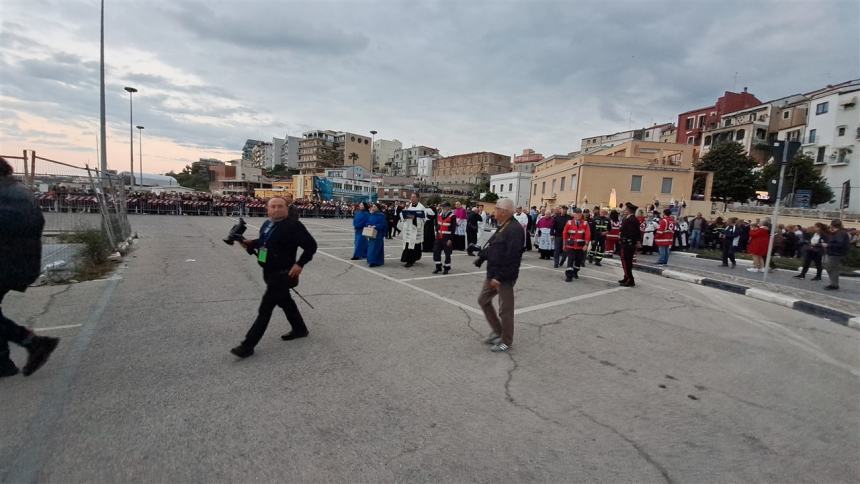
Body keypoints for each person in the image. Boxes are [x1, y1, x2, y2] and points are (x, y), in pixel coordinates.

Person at [231, 197, 317, 358]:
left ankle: (247, 345)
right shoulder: (267, 224)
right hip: (268, 271)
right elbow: (265, 241)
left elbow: (311, 246)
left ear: (286, 209)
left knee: (265, 309)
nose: (276, 209)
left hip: (283, 274)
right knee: (286, 302)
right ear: (267, 209)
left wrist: (300, 264)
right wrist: (251, 243)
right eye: (273, 206)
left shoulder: (293, 226)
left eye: (280, 206)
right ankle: (300, 329)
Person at [0, 157, 60, 377]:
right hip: (22, 262)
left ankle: (32, 342)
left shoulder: (6, 195)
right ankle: (3, 362)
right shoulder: (19, 192)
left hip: (7, 263)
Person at [477, 198, 524, 353]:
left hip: (504, 276)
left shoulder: (515, 229)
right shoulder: (503, 226)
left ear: (504, 212)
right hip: (493, 273)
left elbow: (513, 257)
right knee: (483, 300)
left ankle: (506, 341)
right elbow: (495, 247)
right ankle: (498, 331)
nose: (494, 211)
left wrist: (499, 276)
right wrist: (482, 256)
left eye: (496, 208)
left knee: (505, 309)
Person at [399, 193, 433, 267]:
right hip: (408, 229)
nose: (412, 199)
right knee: (408, 244)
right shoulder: (409, 206)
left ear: (418, 198)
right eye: (411, 197)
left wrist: (414, 218)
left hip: (415, 229)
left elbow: (424, 219)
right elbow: (403, 214)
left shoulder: (421, 207)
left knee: (414, 245)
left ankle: (410, 261)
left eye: (413, 197)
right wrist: (405, 210)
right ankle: (408, 259)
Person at [562, 208, 591, 281]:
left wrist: (586, 245)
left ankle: (575, 272)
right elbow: (565, 234)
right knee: (570, 260)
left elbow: (588, 234)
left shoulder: (585, 223)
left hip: (580, 246)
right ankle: (569, 276)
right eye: (576, 214)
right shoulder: (569, 222)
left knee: (578, 261)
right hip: (570, 245)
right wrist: (564, 244)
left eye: (579, 214)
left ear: (581, 215)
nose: (578, 215)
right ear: (574, 214)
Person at [821, 219, 850, 290]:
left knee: (833, 268)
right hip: (833, 252)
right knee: (830, 268)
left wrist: (828, 245)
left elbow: (839, 244)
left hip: (836, 253)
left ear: (832, 225)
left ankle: (834, 285)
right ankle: (833, 283)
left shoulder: (841, 233)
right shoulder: (838, 232)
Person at [619, 202, 640, 287]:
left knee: (627, 262)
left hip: (628, 243)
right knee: (625, 261)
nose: (624, 210)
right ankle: (626, 277)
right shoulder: (628, 218)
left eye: (626, 209)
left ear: (629, 210)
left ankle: (630, 280)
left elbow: (632, 233)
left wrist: (624, 237)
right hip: (626, 243)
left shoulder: (632, 220)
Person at [433, 202, 456, 274]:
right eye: (442, 207)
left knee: (447, 253)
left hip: (447, 238)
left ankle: (446, 268)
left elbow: (453, 229)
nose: (443, 208)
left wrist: (450, 239)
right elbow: (437, 224)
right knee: (436, 251)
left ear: (448, 208)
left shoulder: (452, 216)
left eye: (444, 207)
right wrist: (437, 231)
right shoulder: (439, 214)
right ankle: (438, 266)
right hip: (439, 237)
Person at [365, 203, 388, 267]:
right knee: (371, 248)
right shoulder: (371, 214)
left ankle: (374, 262)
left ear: (378, 207)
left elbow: (383, 225)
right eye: (372, 206)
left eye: (374, 206)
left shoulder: (381, 215)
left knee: (376, 248)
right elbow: (367, 222)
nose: (373, 208)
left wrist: (375, 226)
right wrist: (368, 225)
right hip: (371, 234)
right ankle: (371, 260)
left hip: (378, 235)